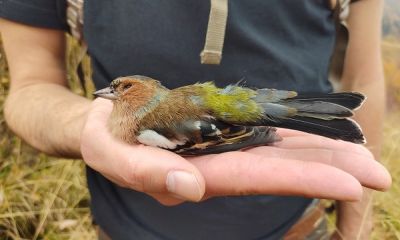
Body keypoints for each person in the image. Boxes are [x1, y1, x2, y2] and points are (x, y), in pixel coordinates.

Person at [0, 0, 390, 239]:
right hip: (126, 230)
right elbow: (31, 84)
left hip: (298, 223)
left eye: (120, 89)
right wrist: (82, 125)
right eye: (113, 89)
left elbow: (209, 136)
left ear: (140, 93)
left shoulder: (144, 128)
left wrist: (355, 228)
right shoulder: (156, 106)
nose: (108, 94)